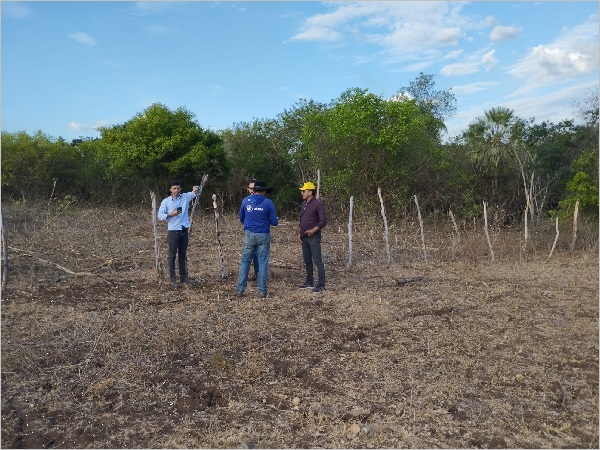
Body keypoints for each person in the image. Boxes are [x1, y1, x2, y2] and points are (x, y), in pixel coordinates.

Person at [236, 180, 278, 298]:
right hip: (263, 234)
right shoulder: (268, 203)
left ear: (253, 191)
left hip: (249, 234)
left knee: (245, 261)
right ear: (264, 191)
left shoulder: (245, 201)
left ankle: (240, 289)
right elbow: (275, 222)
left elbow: (241, 218)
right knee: (263, 262)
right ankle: (262, 291)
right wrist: (266, 220)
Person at [158, 180, 201, 288]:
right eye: (174, 188)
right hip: (173, 231)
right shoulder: (166, 202)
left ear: (180, 189)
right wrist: (170, 214)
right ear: (171, 190)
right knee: (172, 256)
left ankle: (183, 277)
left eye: (178, 188)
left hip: (184, 231)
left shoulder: (185, 197)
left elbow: (196, 191)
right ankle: (172, 279)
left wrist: (196, 188)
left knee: (182, 255)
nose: (176, 190)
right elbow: (160, 216)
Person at [297, 181, 327, 293]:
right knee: (307, 260)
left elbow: (323, 220)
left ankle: (321, 284)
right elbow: (302, 219)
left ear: (310, 192)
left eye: (303, 191)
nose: (302, 193)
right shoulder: (304, 203)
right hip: (304, 236)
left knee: (317, 260)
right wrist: (299, 232)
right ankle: (309, 281)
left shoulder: (318, 204)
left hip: (313, 237)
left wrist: (313, 230)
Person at [246, 179, 260, 281]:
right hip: (249, 232)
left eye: (253, 188)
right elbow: (242, 217)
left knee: (260, 255)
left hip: (261, 232)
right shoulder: (246, 201)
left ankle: (260, 275)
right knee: (251, 255)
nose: (252, 190)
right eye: (250, 188)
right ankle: (256, 273)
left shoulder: (262, 201)